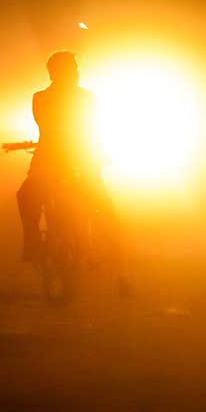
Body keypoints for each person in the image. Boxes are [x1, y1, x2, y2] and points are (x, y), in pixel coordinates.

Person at [16, 51, 122, 277]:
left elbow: (52, 127)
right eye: (71, 69)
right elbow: (88, 127)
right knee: (101, 203)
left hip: (53, 161)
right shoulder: (85, 98)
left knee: (27, 197)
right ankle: (115, 248)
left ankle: (33, 244)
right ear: (55, 72)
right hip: (76, 160)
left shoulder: (41, 98)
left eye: (75, 68)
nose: (75, 73)